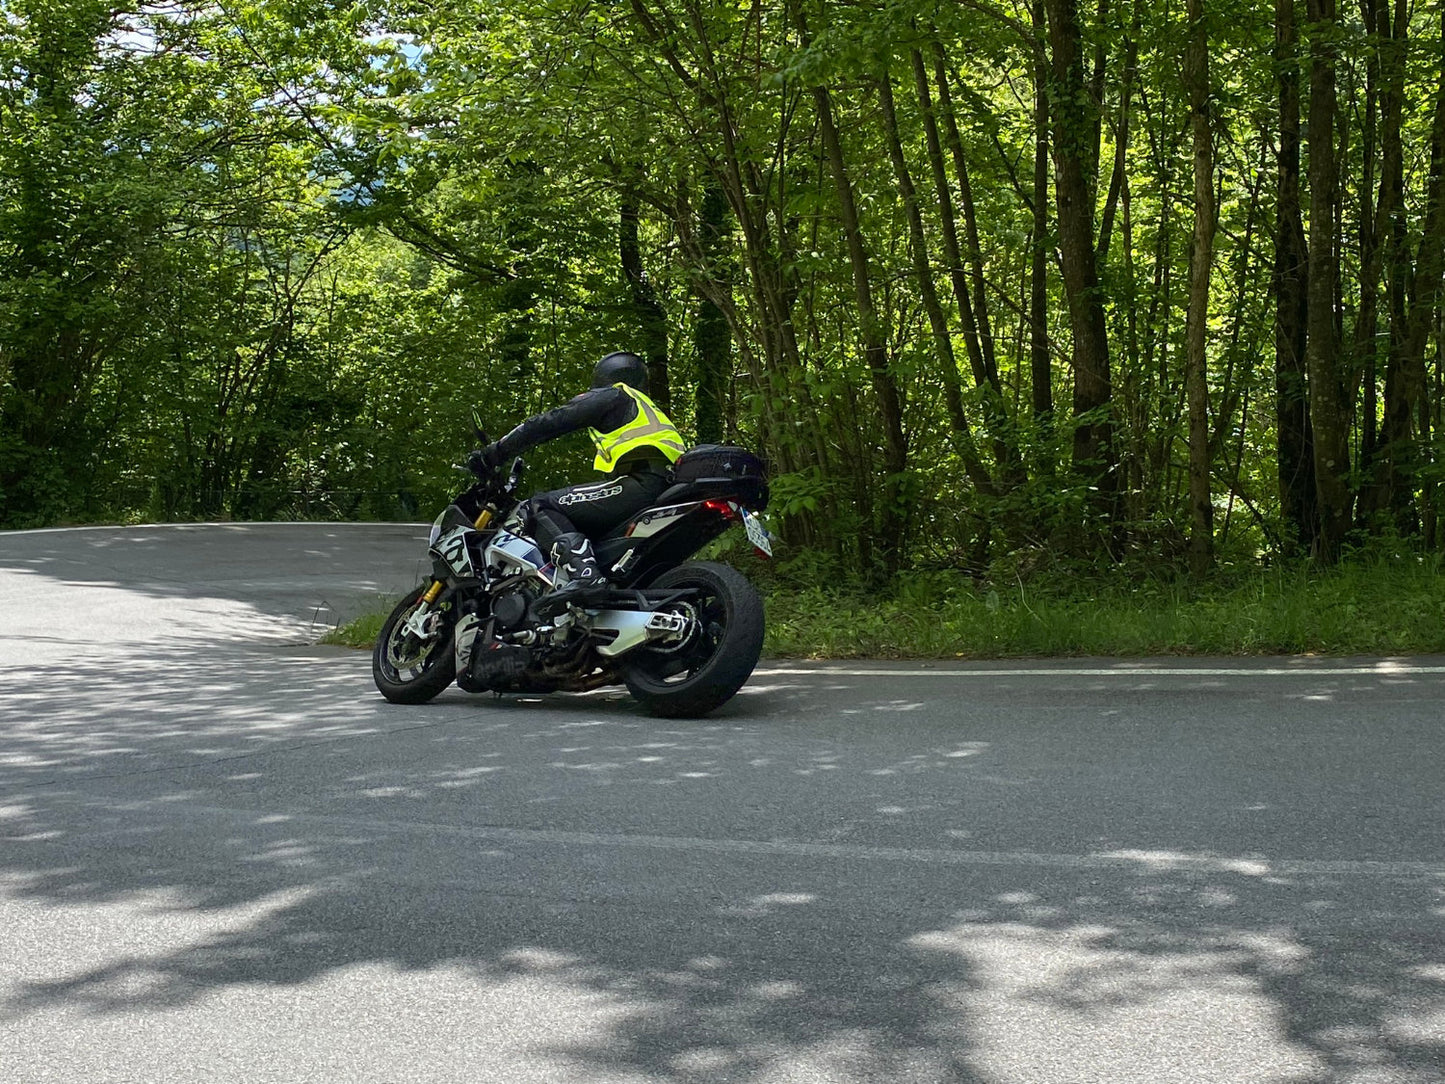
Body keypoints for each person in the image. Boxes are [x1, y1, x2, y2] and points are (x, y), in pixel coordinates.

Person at [468, 351, 685, 592]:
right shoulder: (648, 409)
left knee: (538, 505)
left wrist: (496, 452)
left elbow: (551, 421)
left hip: (640, 483)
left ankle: (585, 575)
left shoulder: (615, 394)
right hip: (666, 486)